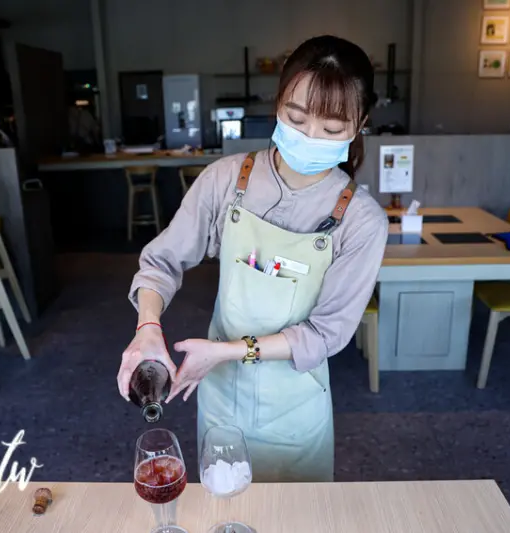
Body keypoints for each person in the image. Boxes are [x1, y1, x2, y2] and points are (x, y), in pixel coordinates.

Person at [117, 36, 389, 482]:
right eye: (296, 118)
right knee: (222, 505)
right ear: (277, 103)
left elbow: (326, 333)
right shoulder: (226, 179)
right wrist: (147, 328)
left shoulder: (361, 219)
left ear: (360, 124)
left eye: (331, 129)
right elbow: (161, 262)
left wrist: (225, 352)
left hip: (294, 408)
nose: (309, 137)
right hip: (222, 399)